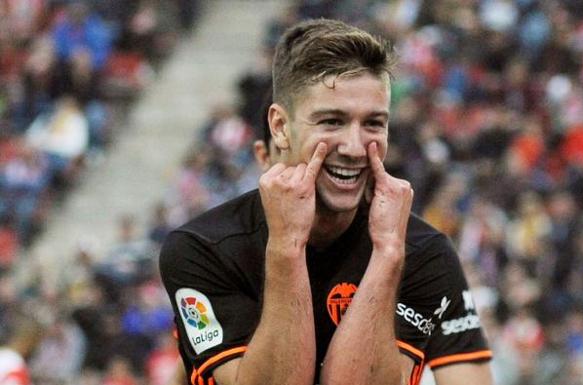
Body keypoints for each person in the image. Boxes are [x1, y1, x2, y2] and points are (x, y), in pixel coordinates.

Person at [160, 19, 493, 385]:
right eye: (332, 121)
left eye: (373, 123)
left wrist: (386, 256)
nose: (354, 148)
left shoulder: (419, 251)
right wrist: (287, 246)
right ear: (280, 128)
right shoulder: (203, 248)